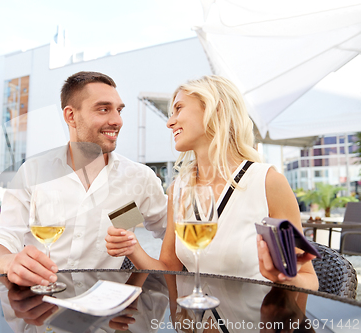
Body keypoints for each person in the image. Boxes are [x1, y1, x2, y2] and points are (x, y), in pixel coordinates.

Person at [106, 75, 318, 290]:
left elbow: (309, 278)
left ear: (216, 109)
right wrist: (132, 248)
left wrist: (286, 278)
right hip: (194, 321)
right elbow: (170, 271)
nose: (170, 122)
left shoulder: (268, 182)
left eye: (179, 109)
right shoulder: (179, 187)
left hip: (253, 321)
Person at [0, 71, 167, 287]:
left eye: (119, 110)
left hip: (106, 310)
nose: (117, 120)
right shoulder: (32, 172)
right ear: (71, 116)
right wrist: (9, 262)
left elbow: (175, 236)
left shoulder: (139, 178)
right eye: (103, 109)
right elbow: (0, 243)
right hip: (43, 308)